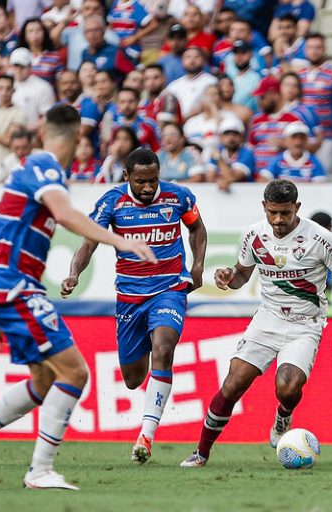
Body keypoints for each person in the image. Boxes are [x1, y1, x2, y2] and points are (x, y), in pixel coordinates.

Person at [0, 104, 155, 490]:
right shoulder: (44, 168)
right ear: (79, 140)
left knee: (43, 381)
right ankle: (39, 470)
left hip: (7, 285)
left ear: (44, 130)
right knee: (74, 372)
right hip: (14, 287)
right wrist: (118, 240)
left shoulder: (30, 171)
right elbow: (64, 213)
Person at [180, 179, 332, 467]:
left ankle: (282, 419)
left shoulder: (320, 239)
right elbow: (242, 275)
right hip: (268, 318)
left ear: (297, 208)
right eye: (273, 213)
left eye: (285, 213)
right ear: (264, 207)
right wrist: (230, 277)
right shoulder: (254, 235)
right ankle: (201, 453)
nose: (278, 220)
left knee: (288, 387)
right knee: (232, 384)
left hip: (305, 324)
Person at [62, 147, 207, 465]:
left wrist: (196, 267)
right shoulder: (111, 202)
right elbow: (89, 243)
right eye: (141, 181)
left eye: (153, 180)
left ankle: (146, 434)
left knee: (164, 345)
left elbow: (197, 228)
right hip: (129, 297)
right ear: (127, 176)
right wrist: (73, 274)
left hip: (170, 288)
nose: (148, 187)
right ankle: (144, 377)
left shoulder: (177, 196)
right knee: (131, 378)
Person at [298, 33, 332, 177]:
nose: (314, 51)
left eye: (318, 47)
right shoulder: (300, 74)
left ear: (324, 49)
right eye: (310, 47)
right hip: (303, 138)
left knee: (327, 178)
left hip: (328, 137)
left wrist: (329, 119)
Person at [260, 122, 326, 182]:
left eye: (302, 138)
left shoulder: (314, 162)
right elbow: (263, 178)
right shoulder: (278, 160)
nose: (298, 142)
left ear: (307, 140)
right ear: (285, 140)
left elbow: (320, 183)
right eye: (293, 138)